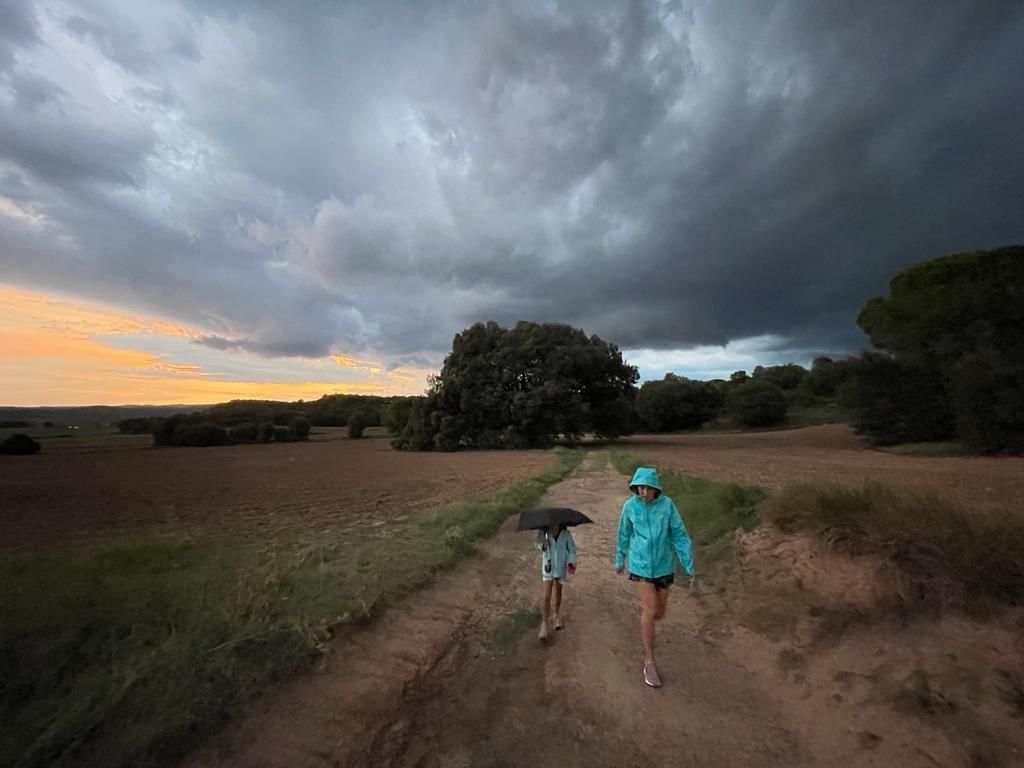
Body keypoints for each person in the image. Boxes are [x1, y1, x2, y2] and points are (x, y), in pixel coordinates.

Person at [615, 466, 694, 687]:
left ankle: (646, 622)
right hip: (640, 566)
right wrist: (620, 558)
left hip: (663, 566)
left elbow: (679, 534)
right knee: (649, 610)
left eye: (647, 488)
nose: (643, 492)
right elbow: (624, 533)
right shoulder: (630, 507)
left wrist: (687, 564)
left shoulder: (667, 506)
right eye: (639, 487)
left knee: (659, 612)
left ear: (655, 489)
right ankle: (649, 660)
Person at [536, 523, 577, 641]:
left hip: (560, 569)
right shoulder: (543, 533)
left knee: (558, 592)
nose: (554, 525)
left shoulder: (566, 535)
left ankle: (556, 615)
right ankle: (544, 624)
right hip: (547, 569)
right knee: (546, 596)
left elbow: (572, 549)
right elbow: (537, 544)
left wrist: (571, 562)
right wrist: (542, 546)